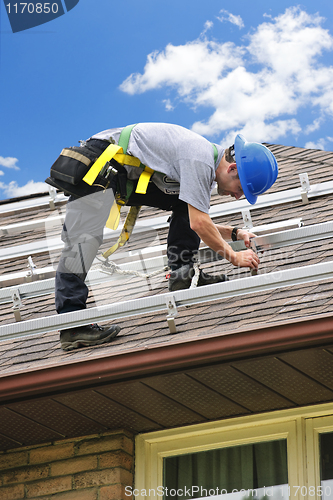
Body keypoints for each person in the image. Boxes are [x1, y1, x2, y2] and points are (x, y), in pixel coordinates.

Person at [49, 123, 278, 351]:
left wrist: (235, 233)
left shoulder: (203, 164)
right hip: (101, 165)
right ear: (232, 169)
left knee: (183, 203)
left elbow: (194, 216)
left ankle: (185, 274)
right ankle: (72, 325)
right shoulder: (200, 159)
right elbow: (199, 223)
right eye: (241, 188)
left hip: (121, 172)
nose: (238, 196)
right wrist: (234, 257)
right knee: (81, 242)